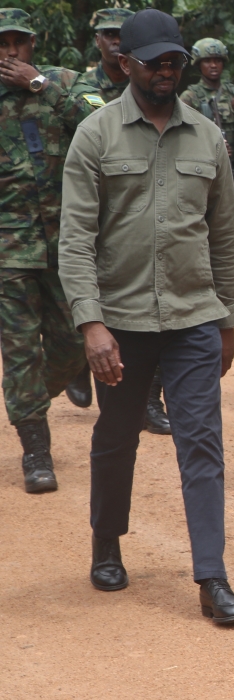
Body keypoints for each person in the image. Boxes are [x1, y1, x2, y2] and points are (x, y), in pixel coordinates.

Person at [59, 8, 234, 624]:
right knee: (115, 439)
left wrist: (226, 321)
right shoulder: (96, 134)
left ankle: (211, 576)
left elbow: (223, 233)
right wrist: (91, 324)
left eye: (175, 61)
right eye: (155, 62)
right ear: (125, 64)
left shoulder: (207, 136)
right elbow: (76, 237)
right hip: (122, 321)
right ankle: (107, 541)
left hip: (194, 318)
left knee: (202, 445)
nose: (167, 72)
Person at [0, 8, 99, 493]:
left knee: (72, 343)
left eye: (17, 42)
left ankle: (41, 394)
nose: (9, 52)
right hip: (8, 251)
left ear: (32, 44)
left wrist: (39, 84)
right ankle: (36, 449)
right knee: (19, 352)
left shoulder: (64, 81)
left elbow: (104, 124)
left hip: (68, 246)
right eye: (1, 44)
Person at [63, 8, 135, 411]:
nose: (115, 40)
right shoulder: (82, 85)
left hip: (130, 201)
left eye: (121, 34)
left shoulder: (149, 76)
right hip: (87, 196)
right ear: (96, 40)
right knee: (85, 282)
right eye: (108, 33)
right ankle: (80, 359)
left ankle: (146, 398)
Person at [181, 38, 234, 173]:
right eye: (207, 61)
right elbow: (180, 136)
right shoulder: (190, 97)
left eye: (217, 60)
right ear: (199, 64)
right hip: (206, 166)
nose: (213, 65)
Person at [75, 8, 133, 103]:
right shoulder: (82, 87)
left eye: (124, 35)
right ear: (98, 40)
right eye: (109, 34)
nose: (117, 41)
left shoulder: (145, 86)